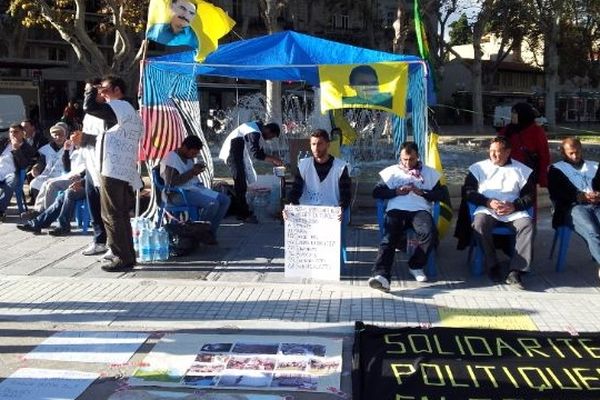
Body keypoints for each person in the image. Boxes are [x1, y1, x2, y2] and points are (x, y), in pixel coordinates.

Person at [73, 75, 143, 272]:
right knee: (120, 214)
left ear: (117, 90)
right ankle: (128, 255)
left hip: (112, 167)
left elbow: (89, 107)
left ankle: (122, 257)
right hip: (122, 167)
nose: (100, 92)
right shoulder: (128, 109)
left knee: (111, 214)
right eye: (99, 89)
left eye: (104, 88)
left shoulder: (118, 107)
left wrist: (89, 89)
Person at [368, 142, 443, 291]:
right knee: (389, 236)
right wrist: (395, 192)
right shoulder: (392, 172)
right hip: (397, 209)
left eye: (412, 159)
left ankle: (416, 265)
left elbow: (442, 194)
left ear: (418, 157)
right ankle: (381, 275)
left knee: (430, 233)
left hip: (420, 209)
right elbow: (376, 192)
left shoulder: (429, 173)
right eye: (405, 159)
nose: (408, 163)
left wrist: (423, 193)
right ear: (400, 158)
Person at [465, 136, 535, 289]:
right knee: (479, 224)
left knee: (527, 225)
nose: (494, 155)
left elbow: (530, 196)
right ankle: (492, 264)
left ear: (508, 152)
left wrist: (514, 206)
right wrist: (487, 202)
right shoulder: (478, 168)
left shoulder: (521, 170)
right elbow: (469, 192)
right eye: (491, 151)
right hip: (488, 208)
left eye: (498, 152)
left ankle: (516, 270)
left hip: (512, 210)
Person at [160, 135, 230, 243]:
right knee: (213, 204)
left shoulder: (188, 158)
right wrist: (192, 172)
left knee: (225, 200)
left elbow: (190, 176)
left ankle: (209, 231)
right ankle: (200, 231)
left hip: (192, 189)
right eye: (193, 153)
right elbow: (171, 183)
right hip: (176, 195)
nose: (194, 155)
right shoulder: (171, 160)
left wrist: (195, 169)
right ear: (184, 148)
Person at [548, 137, 600, 278]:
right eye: (571, 153)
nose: (575, 156)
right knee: (592, 230)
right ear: (563, 153)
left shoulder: (594, 166)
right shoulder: (556, 170)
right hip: (572, 208)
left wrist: (597, 194)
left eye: (577, 152)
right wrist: (579, 197)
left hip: (596, 204)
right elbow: (556, 194)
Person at [218, 121, 283, 223]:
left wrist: (273, 160)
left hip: (237, 151)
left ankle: (242, 211)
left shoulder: (256, 130)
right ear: (268, 130)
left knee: (241, 183)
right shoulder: (254, 131)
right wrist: (274, 159)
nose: (270, 139)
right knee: (240, 183)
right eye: (272, 136)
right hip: (232, 152)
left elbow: (259, 153)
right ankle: (242, 214)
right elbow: (256, 154)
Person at [498, 102, 550, 213]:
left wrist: (543, 178)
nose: (512, 116)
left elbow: (544, 155)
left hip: (528, 173)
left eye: (515, 113)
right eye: (512, 113)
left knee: (528, 202)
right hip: (508, 172)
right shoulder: (507, 130)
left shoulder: (536, 131)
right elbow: (496, 148)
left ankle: (529, 226)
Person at [287, 129, 351, 213]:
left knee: (345, 213)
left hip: (333, 211)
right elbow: (296, 189)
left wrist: (341, 208)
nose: (316, 148)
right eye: (313, 144)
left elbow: (346, 194)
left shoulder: (341, 167)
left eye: (320, 144)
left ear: (328, 145)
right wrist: (291, 204)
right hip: (309, 212)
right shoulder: (303, 165)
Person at [16, 176, 85, 235]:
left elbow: (94, 175)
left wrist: (81, 183)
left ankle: (64, 226)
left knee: (70, 193)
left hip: (92, 187)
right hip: (86, 182)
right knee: (61, 197)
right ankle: (37, 224)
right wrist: (80, 177)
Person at [0, 124, 37, 221]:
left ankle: (1, 210)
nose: (13, 134)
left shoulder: (27, 148)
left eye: (15, 132)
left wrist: (17, 150)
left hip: (12, 173)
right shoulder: (4, 142)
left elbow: (24, 165)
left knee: (12, 182)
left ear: (22, 133)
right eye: (11, 132)